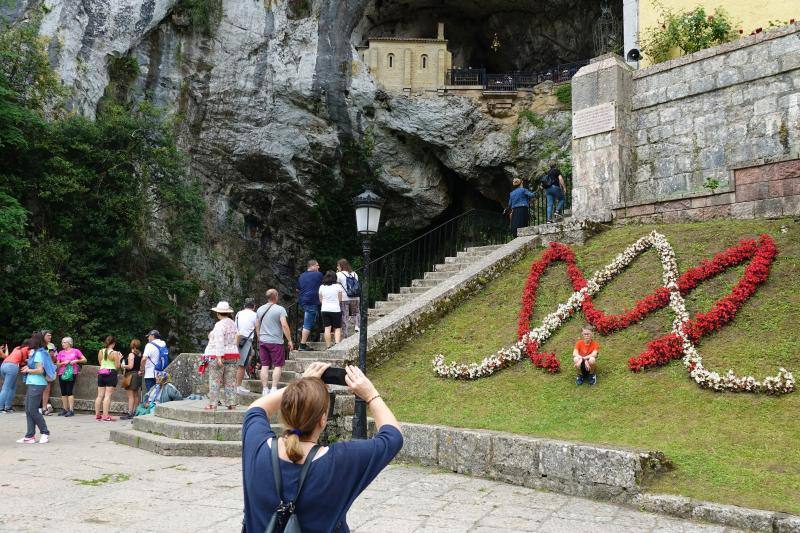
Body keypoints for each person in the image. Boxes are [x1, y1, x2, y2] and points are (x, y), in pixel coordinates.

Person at [242, 362, 403, 532]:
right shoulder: (341, 461)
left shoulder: (257, 446)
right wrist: (371, 395)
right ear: (322, 419)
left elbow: (257, 409)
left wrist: (299, 387)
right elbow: (393, 437)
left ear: (285, 409)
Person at [256, 289, 294, 396]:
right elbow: (284, 325)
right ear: (276, 296)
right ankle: (273, 388)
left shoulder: (260, 309)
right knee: (278, 365)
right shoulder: (280, 309)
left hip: (263, 341)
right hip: (276, 342)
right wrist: (289, 340)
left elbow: (257, 325)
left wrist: (259, 337)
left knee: (264, 365)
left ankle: (264, 389)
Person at [204, 301, 239, 411]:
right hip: (233, 354)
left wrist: (219, 357)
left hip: (219, 355)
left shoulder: (219, 325)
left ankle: (213, 404)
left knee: (215, 379)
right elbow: (237, 337)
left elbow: (219, 341)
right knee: (230, 380)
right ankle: (231, 403)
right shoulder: (233, 323)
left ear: (218, 313)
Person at [17, 333, 50, 443]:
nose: (30, 340)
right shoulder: (36, 352)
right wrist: (28, 367)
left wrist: (28, 370)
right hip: (33, 383)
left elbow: (40, 370)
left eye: (32, 339)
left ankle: (45, 432)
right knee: (28, 410)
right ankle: (30, 436)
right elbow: (36, 367)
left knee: (32, 410)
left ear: (36, 341)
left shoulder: (39, 353)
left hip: (37, 384)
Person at [55, 337, 86, 417]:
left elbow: (84, 360)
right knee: (63, 392)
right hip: (62, 373)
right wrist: (63, 363)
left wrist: (76, 361)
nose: (62, 344)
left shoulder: (76, 351)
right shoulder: (61, 352)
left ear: (69, 343)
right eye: (62, 342)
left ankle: (71, 410)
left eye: (64, 342)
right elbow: (57, 364)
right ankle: (65, 409)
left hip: (72, 373)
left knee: (69, 391)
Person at [297, 259, 323, 351]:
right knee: (308, 323)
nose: (318, 267)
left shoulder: (301, 276)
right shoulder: (318, 275)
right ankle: (302, 345)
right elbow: (324, 285)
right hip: (312, 301)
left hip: (303, 301)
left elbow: (298, 289)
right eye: (317, 265)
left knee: (310, 321)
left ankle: (312, 336)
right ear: (312, 266)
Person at [95, 336, 121, 421]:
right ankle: (105, 416)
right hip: (111, 373)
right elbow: (117, 366)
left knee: (99, 395)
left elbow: (100, 362)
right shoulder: (115, 353)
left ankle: (97, 414)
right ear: (113, 344)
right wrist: (119, 358)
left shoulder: (101, 351)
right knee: (107, 395)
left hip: (102, 372)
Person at [235, 297, 258, 395]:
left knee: (242, 360)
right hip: (246, 341)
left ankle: (237, 383)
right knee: (242, 364)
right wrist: (260, 339)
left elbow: (235, 327)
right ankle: (238, 387)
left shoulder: (238, 313)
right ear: (254, 306)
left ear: (244, 305)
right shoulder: (255, 315)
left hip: (237, 339)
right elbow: (257, 328)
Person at [319, 270, 344, 349]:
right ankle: (337, 344)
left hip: (325, 309)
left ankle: (328, 346)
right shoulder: (338, 286)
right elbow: (340, 299)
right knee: (337, 328)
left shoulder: (322, 287)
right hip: (335, 309)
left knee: (327, 328)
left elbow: (321, 299)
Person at [0, 340, 27, 413]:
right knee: (6, 388)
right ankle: (1, 407)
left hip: (3, 365)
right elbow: (23, 362)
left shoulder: (16, 348)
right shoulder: (26, 349)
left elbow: (9, 357)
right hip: (12, 367)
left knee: (12, 387)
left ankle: (8, 407)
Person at [336, 259, 361, 338]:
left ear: (341, 266)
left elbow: (337, 286)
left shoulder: (338, 274)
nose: (337, 267)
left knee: (345, 315)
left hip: (344, 298)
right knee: (356, 312)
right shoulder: (354, 273)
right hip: (355, 297)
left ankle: (345, 333)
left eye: (338, 265)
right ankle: (357, 326)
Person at [121, 339, 143, 420]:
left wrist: (123, 365)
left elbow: (130, 366)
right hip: (137, 375)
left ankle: (130, 413)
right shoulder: (140, 354)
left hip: (131, 375)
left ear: (132, 345)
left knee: (130, 396)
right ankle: (135, 412)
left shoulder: (131, 354)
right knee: (136, 395)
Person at [41, 330, 57, 415]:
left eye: (50, 335)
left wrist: (52, 356)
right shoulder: (39, 345)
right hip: (40, 368)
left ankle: (44, 408)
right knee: (37, 389)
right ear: (43, 336)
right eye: (48, 335)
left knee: (47, 389)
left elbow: (55, 359)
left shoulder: (52, 345)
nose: (50, 337)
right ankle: (35, 408)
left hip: (49, 369)